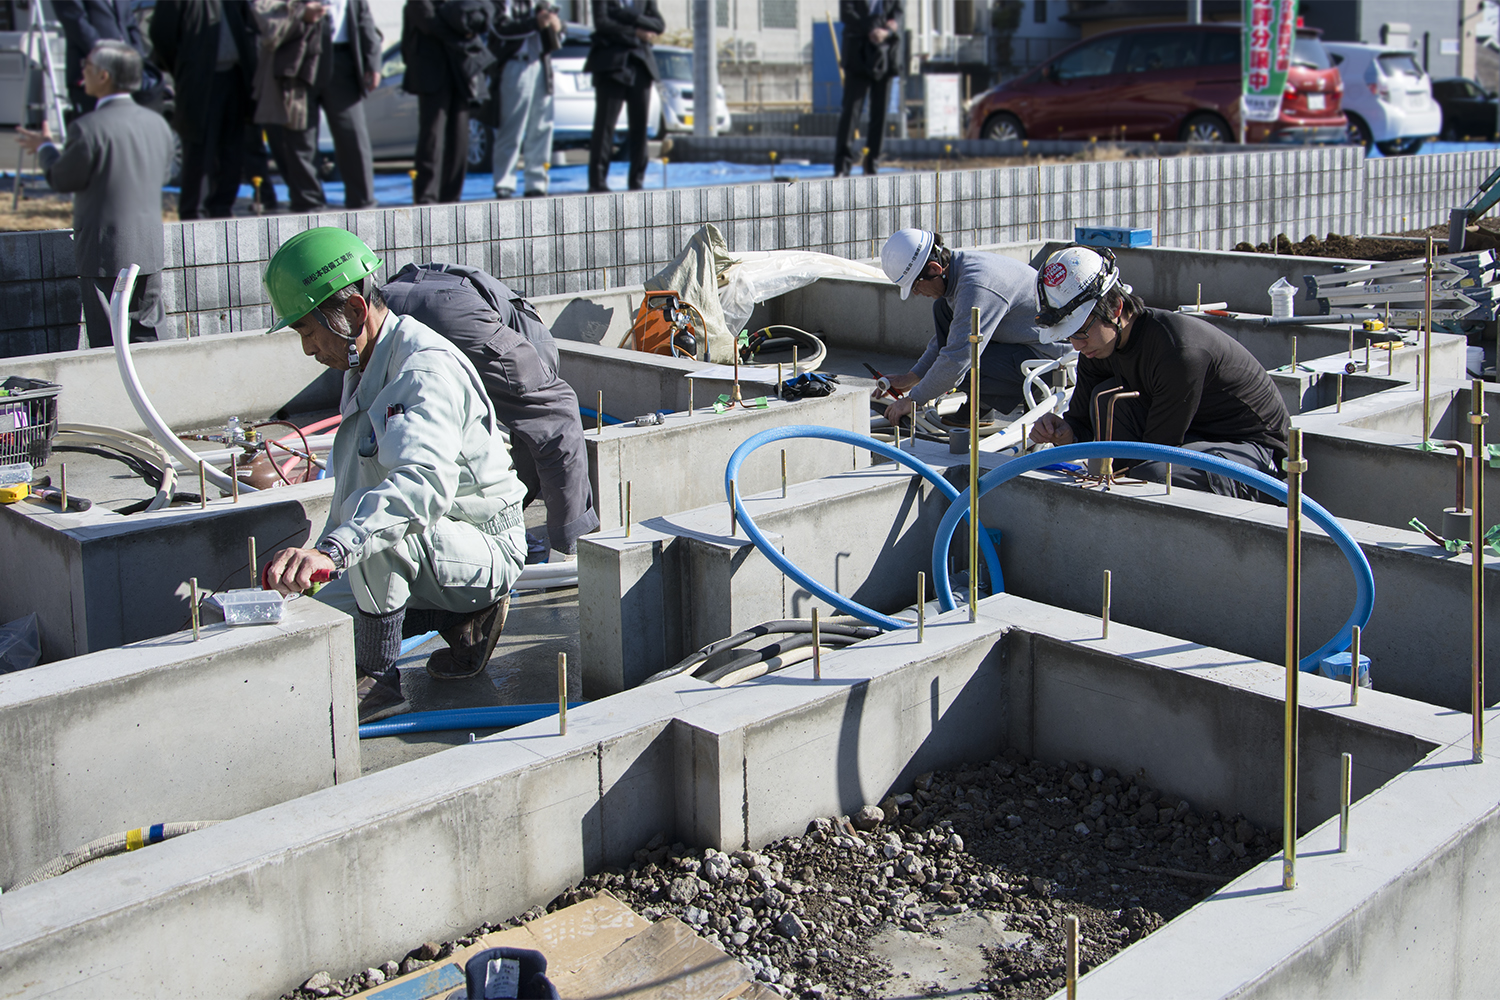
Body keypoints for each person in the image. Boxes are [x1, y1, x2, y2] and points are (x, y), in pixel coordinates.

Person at [261, 229, 529, 722]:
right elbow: (355, 483)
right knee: (309, 614)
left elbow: (417, 489)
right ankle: (461, 617)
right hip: (435, 541)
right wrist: (318, 564)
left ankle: (379, 680)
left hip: (483, 546)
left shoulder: (421, 371)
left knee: (377, 536)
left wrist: (334, 549)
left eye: (307, 331)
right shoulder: (365, 363)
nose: (307, 349)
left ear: (355, 313)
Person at [1028, 245, 1291, 498]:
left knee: (1153, 476)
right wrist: (1065, 433)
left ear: (1117, 308)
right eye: (1069, 335)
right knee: (1107, 399)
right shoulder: (1098, 346)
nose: (1077, 344)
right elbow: (1083, 426)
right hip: (1193, 435)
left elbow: (1159, 453)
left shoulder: (1179, 351)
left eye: (1081, 331)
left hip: (1253, 453)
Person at [379, 262, 599, 556]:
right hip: (448, 310)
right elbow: (542, 435)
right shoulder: (538, 340)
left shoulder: (497, 306)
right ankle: (574, 547)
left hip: (386, 302)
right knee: (557, 413)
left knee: (402, 426)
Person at [15, 41, 174, 349]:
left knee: (109, 344)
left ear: (104, 75)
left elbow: (63, 178)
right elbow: (164, 174)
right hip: (149, 246)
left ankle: (118, 398)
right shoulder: (156, 122)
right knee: (153, 343)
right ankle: (156, 396)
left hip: (105, 250)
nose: (81, 74)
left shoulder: (89, 127)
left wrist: (46, 147)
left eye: (86, 68)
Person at [877, 229, 1068, 429]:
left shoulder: (976, 287)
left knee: (958, 369)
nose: (917, 293)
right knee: (942, 310)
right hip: (1020, 343)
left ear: (934, 269)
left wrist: (913, 400)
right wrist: (912, 377)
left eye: (916, 286)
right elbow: (949, 339)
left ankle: (998, 400)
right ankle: (983, 405)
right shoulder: (960, 270)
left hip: (1048, 362)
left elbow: (956, 359)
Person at [252, 0, 382, 212]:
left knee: (353, 135)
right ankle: (308, 205)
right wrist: (302, 12)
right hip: (298, 59)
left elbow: (363, 16)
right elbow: (264, 9)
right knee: (300, 137)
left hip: (343, 61)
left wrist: (373, 61)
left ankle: (363, 205)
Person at [149, 0, 259, 220]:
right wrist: (186, 64)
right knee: (200, 151)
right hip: (199, 82)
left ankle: (222, 208)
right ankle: (194, 214)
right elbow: (161, 35)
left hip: (236, 78)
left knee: (232, 150)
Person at [402, 0, 494, 204]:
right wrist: (461, 32)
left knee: (460, 137)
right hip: (431, 70)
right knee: (432, 136)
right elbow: (427, 20)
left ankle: (452, 197)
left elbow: (486, 10)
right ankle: (427, 197)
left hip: (462, 68)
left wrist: (468, 24)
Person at [583, 0, 663, 193]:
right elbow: (602, 23)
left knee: (640, 127)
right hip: (611, 65)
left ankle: (637, 180)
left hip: (640, 65)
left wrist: (628, 16)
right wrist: (635, 32)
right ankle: (598, 182)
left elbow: (658, 25)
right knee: (605, 126)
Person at [488, 0, 563, 199]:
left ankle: (536, 182)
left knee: (541, 126)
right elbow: (500, 29)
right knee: (511, 127)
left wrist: (557, 26)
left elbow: (558, 32)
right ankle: (504, 182)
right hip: (515, 64)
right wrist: (534, 23)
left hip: (541, 62)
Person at [52, 1, 157, 118]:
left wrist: (135, 58)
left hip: (127, 75)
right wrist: (106, 58)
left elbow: (130, 22)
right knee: (95, 129)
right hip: (94, 74)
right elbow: (75, 20)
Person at [833, 0, 901, 178]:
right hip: (857, 51)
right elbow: (847, 13)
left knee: (880, 113)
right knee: (851, 111)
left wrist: (887, 31)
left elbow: (897, 14)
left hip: (884, 52)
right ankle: (842, 166)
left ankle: (872, 164)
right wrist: (871, 29)